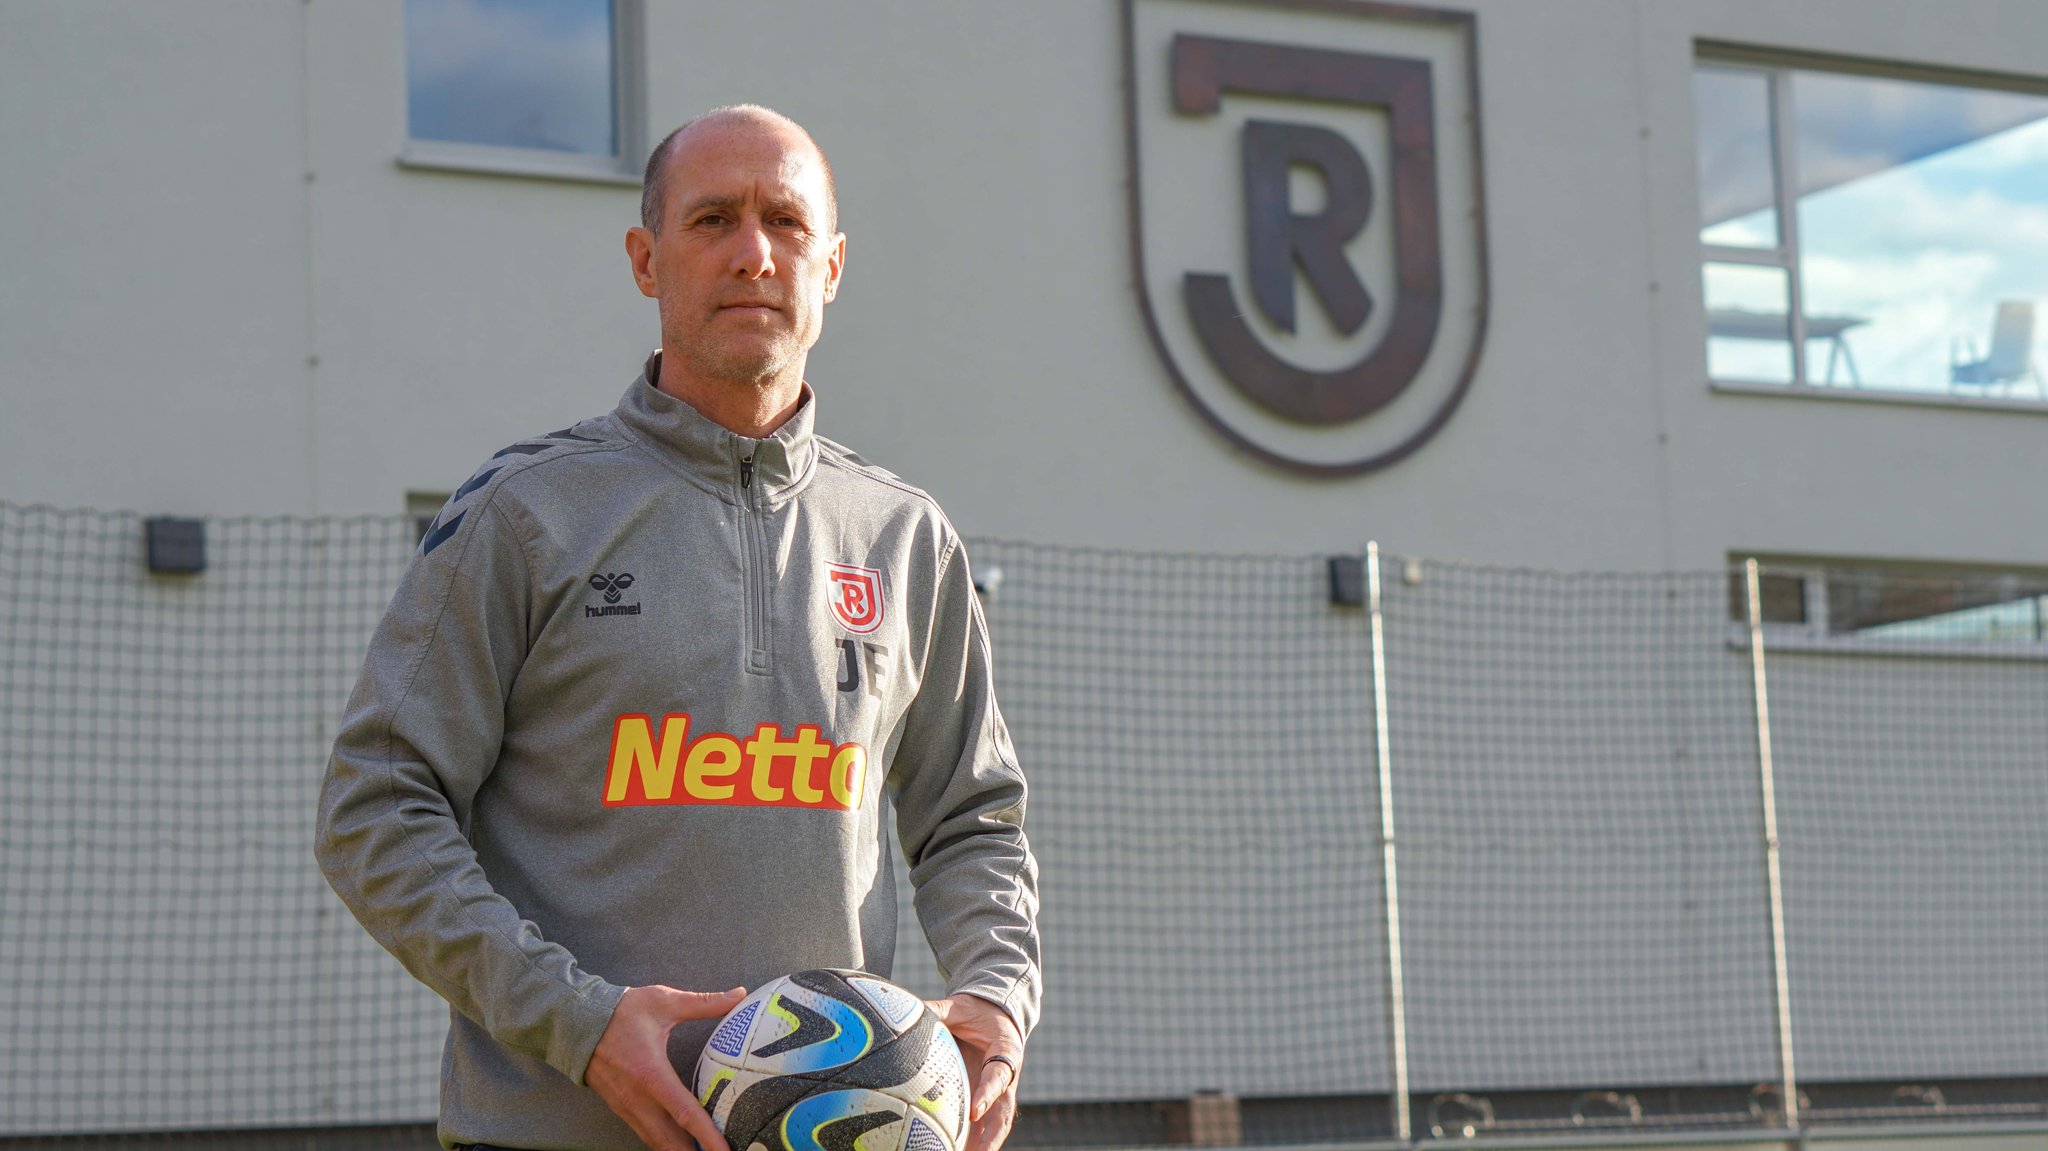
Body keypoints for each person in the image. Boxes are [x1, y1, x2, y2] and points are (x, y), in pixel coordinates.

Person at [316, 105, 1040, 1151]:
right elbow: (375, 808)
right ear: (645, 259)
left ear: (830, 265)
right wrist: (581, 1023)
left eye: (785, 223)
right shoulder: (525, 514)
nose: (753, 254)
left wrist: (996, 995)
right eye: (712, 220)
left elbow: (971, 817)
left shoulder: (904, 537)